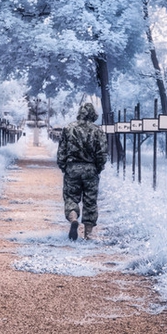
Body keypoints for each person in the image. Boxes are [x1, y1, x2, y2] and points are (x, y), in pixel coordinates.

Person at [56, 102, 107, 240]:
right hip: (90, 169)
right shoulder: (98, 130)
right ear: (93, 115)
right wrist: (98, 168)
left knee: (71, 197)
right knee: (90, 201)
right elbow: (102, 153)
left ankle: (73, 219)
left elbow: (61, 151)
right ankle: (88, 235)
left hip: (72, 169)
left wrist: (63, 166)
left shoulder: (68, 129)